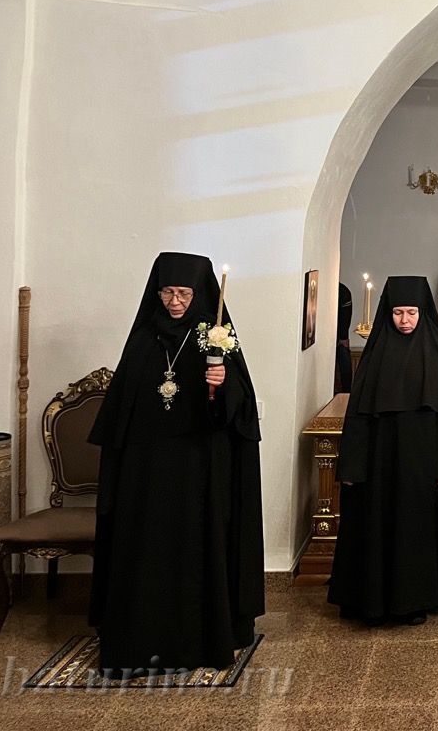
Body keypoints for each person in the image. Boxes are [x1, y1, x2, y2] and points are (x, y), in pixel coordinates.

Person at [89, 252, 263, 673]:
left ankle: (200, 640)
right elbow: (123, 408)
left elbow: (238, 411)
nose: (175, 301)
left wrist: (221, 387)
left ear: (199, 293)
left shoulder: (214, 337)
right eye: (167, 292)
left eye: (183, 293)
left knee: (196, 549)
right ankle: (140, 640)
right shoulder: (143, 339)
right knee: (145, 550)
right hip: (146, 472)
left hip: (198, 471)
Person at [328, 276, 438, 625]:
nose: (404, 320)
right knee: (376, 525)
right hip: (379, 461)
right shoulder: (375, 356)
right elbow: (358, 416)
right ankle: (372, 601)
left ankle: (413, 601)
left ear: (423, 313)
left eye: (412, 313)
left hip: (420, 462)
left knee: (415, 528)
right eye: (398, 313)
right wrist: (352, 466)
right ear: (388, 313)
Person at [336, 282, 353, 393]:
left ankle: (347, 393)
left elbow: (346, 315)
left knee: (345, 366)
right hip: (335, 336)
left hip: (339, 337)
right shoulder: (343, 290)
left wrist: (343, 337)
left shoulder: (343, 291)